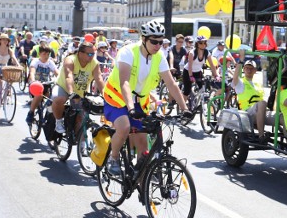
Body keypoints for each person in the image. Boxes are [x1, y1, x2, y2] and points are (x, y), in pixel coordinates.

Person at [102, 20, 190, 176]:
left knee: (144, 146)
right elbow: (125, 83)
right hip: (117, 97)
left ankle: (142, 180)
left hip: (139, 102)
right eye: (154, 41)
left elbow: (171, 83)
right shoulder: (128, 52)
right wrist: (130, 108)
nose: (158, 45)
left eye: (160, 42)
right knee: (124, 128)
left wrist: (185, 109)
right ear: (143, 39)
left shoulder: (159, 56)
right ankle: (113, 157)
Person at [52, 41, 105, 133]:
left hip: (81, 92)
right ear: (80, 53)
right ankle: (58, 122)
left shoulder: (94, 63)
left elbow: (99, 79)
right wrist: (71, 93)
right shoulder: (70, 59)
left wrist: (105, 95)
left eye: (93, 53)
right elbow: (69, 76)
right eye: (89, 54)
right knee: (59, 99)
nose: (92, 56)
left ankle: (81, 141)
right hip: (64, 87)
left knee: (81, 120)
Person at [232, 53, 274, 142]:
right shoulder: (241, 82)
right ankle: (261, 136)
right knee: (262, 103)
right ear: (243, 69)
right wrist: (240, 61)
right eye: (247, 68)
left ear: (255, 70)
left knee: (280, 116)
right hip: (246, 113)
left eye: (251, 68)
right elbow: (235, 77)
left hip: (260, 111)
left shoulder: (258, 84)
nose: (249, 70)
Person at [26, 46, 59, 124]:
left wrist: (61, 80)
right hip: (35, 85)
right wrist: (33, 80)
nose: (46, 56)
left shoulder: (50, 62)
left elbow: (56, 72)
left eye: (48, 54)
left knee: (52, 98)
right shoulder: (35, 61)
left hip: (46, 84)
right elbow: (32, 72)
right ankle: (30, 113)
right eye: (44, 54)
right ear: (40, 54)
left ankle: (49, 116)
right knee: (39, 95)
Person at [0, 34, 20, 114]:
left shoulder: (9, 50)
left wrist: (18, 64)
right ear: (0, 40)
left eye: (6, 40)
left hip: (5, 68)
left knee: (9, 82)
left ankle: (7, 93)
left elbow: (14, 58)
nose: (5, 41)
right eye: (3, 39)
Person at [182, 35, 219, 101]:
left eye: (204, 42)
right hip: (188, 72)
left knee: (202, 89)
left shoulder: (207, 52)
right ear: (197, 44)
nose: (203, 44)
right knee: (186, 91)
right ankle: (183, 109)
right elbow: (190, 65)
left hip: (198, 72)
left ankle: (199, 104)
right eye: (201, 43)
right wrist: (190, 76)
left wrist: (216, 75)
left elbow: (212, 65)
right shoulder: (192, 53)